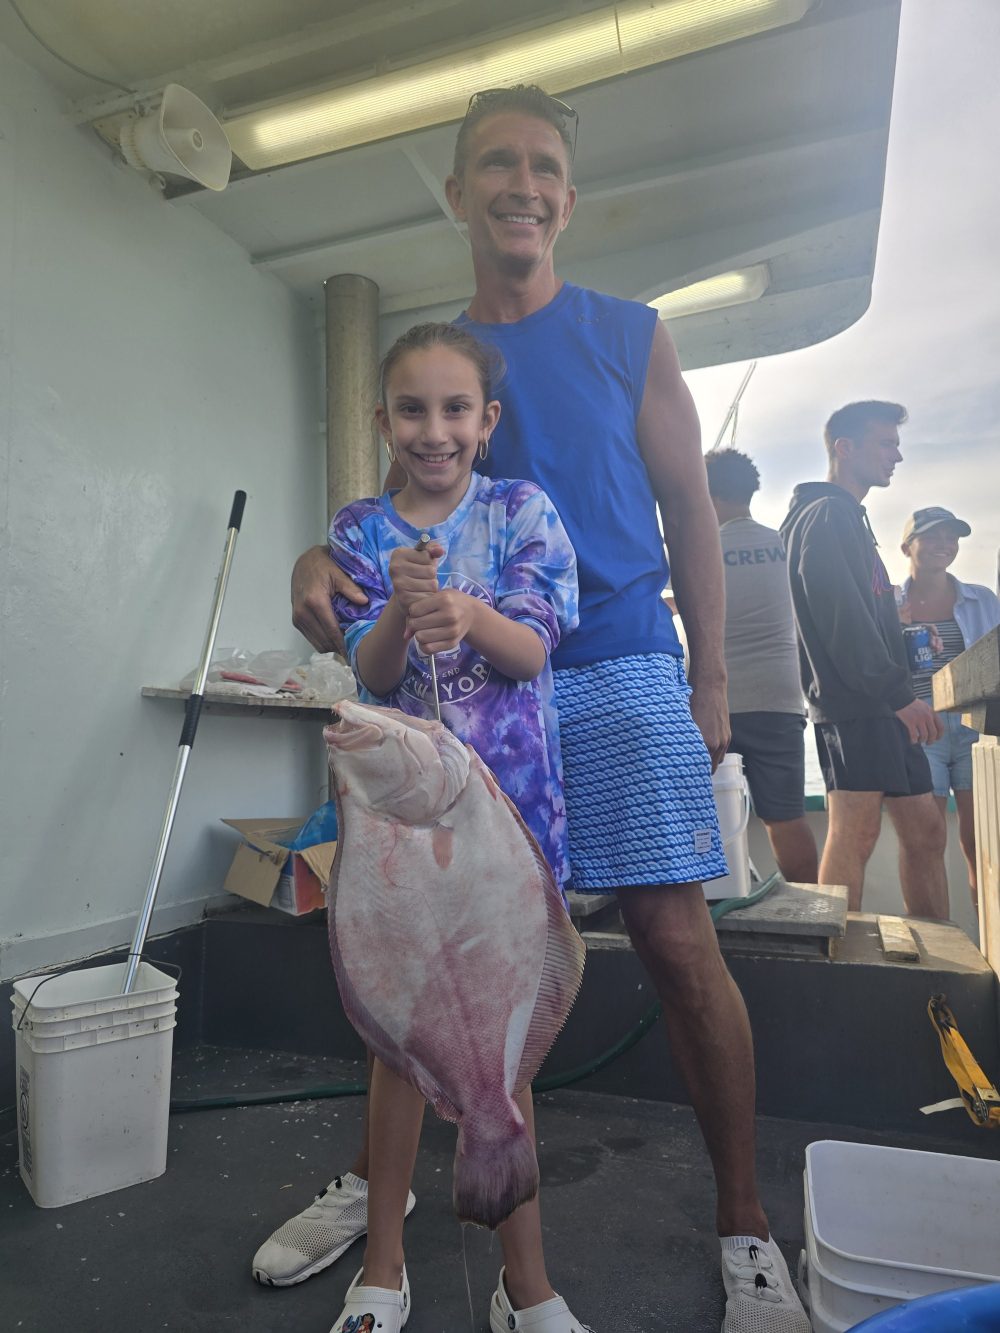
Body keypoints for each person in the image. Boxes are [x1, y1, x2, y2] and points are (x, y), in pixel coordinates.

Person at [276, 85, 811, 1332]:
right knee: (432, 950)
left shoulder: (630, 332)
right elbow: (408, 511)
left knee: (680, 949)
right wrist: (317, 557)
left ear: (568, 199)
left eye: (544, 167)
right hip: (468, 693)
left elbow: (689, 506)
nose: (522, 184)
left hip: (620, 662)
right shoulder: (445, 361)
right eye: (495, 166)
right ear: (457, 196)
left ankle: (746, 1228)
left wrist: (711, 678)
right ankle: (395, 1210)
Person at [323, 321, 584, 1333]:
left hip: (510, 831)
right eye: (412, 409)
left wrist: (469, 616)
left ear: (488, 421)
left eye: (454, 409)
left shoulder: (523, 510)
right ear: (382, 418)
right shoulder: (358, 529)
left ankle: (527, 1285)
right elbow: (375, 673)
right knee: (400, 1042)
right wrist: (400, 609)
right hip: (400, 836)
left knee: (504, 1057)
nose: (434, 430)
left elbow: (528, 649)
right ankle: (383, 1263)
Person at [780, 401, 948, 918]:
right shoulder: (826, 514)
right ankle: (840, 962)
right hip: (857, 705)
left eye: (896, 444)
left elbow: (862, 609)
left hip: (878, 702)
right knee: (854, 831)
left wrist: (909, 636)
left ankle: (936, 955)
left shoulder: (847, 517)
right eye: (885, 443)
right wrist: (898, 694)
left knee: (925, 828)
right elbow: (839, 616)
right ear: (844, 448)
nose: (896, 455)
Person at [704, 448, 818, 884]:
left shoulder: (697, 551)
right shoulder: (785, 543)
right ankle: (808, 907)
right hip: (781, 702)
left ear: (707, 494)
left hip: (716, 706)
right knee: (785, 818)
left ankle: (721, 896)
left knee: (714, 809)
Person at [898, 507, 1000, 910]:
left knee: (984, 843)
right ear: (907, 546)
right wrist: (892, 626)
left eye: (951, 536)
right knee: (925, 842)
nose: (944, 544)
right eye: (932, 536)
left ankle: (993, 952)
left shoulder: (984, 600)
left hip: (978, 728)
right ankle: (938, 954)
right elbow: (879, 670)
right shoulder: (888, 602)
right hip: (921, 731)